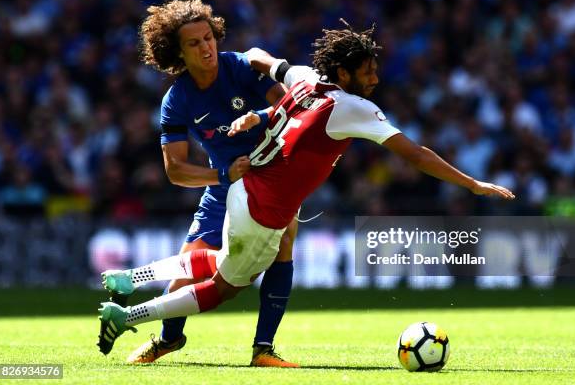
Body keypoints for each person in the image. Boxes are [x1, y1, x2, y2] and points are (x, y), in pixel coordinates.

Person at [97, 21, 514, 358]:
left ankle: (131, 278)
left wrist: (257, 112)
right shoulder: (354, 107)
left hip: (248, 185)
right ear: (345, 74)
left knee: (223, 261)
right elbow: (417, 155)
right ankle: (130, 313)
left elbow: (268, 59)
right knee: (227, 285)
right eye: (367, 70)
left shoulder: (305, 78)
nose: (375, 78)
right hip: (262, 205)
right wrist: (473, 184)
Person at [96, 0, 299, 368]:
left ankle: (263, 350)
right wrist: (223, 175)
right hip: (222, 187)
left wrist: (258, 118)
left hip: (271, 178)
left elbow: (289, 111)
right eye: (194, 43)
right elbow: (175, 169)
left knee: (284, 243)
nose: (206, 47)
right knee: (186, 271)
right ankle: (168, 339)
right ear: (177, 52)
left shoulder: (241, 68)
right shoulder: (177, 100)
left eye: (208, 38)